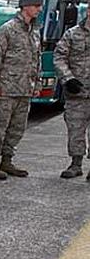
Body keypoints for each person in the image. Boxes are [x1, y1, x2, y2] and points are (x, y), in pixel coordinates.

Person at [0, 0, 44, 180]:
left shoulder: (34, 31)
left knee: (17, 127)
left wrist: (37, 82)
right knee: (0, 127)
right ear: (25, 6)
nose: (39, 9)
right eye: (36, 5)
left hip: (25, 89)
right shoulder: (7, 29)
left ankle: (7, 160)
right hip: (6, 89)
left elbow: (37, 59)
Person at [53, 13, 90, 180]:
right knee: (75, 130)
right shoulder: (72, 34)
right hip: (77, 93)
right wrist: (68, 79)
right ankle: (76, 164)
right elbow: (59, 57)